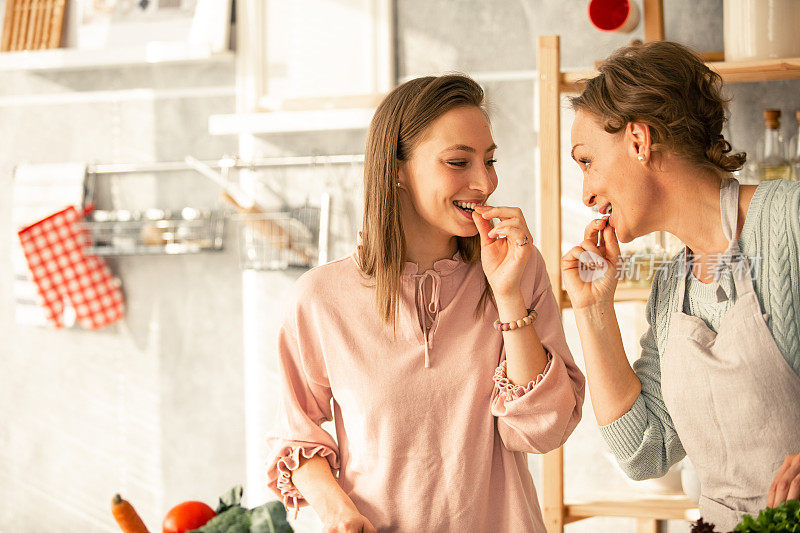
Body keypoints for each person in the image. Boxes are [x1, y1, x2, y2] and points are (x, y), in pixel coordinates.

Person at [265, 74, 585, 532]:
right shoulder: (319, 299)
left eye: (489, 160)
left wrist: (509, 295)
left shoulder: (518, 269)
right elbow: (295, 436)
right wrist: (338, 514)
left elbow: (541, 430)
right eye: (458, 162)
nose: (484, 181)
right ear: (396, 169)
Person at [562, 40, 800, 530]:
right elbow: (644, 452)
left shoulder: (790, 221)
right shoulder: (672, 286)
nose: (586, 194)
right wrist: (592, 309)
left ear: (638, 140)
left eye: (586, 161)